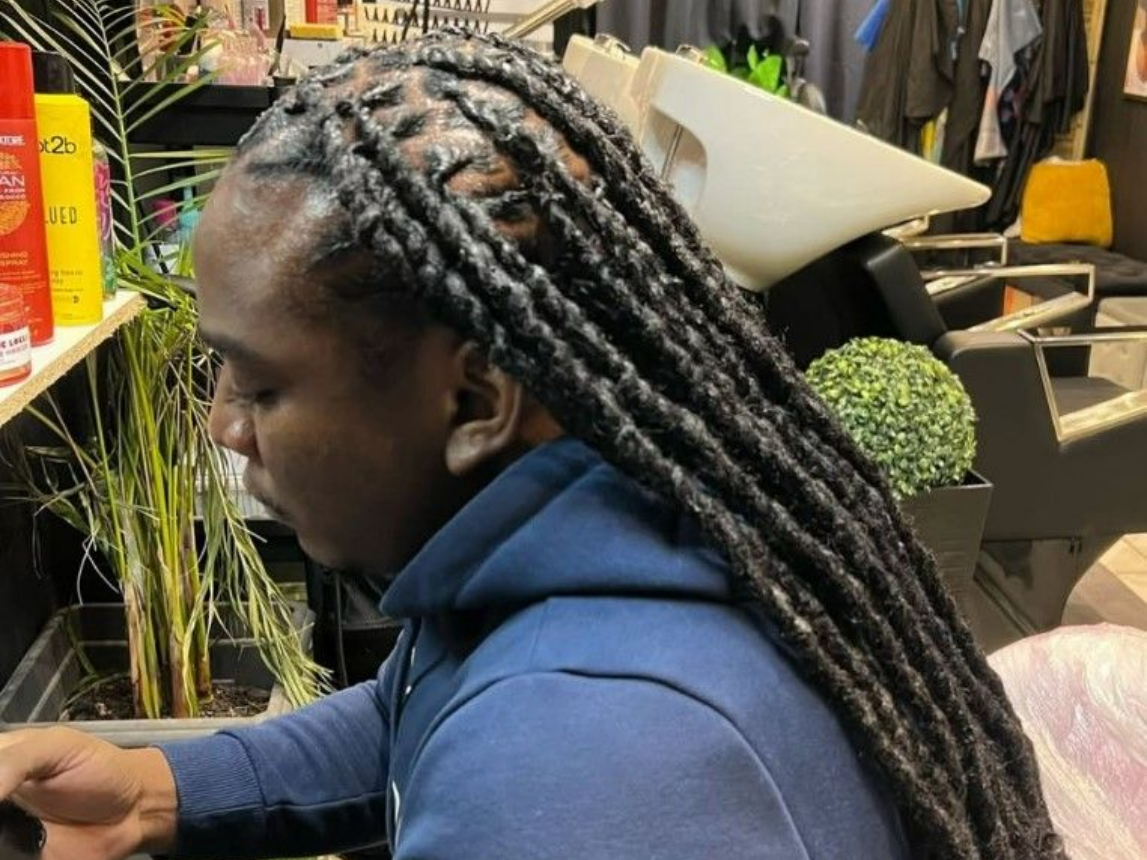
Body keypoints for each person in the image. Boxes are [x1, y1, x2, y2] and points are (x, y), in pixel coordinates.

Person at [0, 28, 1063, 860]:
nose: (223, 420)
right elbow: (426, 692)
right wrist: (153, 790)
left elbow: (514, 740)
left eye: (260, 380)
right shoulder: (623, 509)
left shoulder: (581, 758)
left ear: (475, 397)